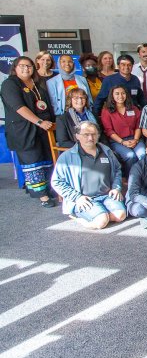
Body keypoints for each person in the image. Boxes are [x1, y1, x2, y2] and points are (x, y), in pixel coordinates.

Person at [1, 56, 56, 207]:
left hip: (44, 129)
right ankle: (42, 195)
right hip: (24, 129)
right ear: (15, 68)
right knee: (33, 161)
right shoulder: (10, 84)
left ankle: (48, 188)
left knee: (46, 159)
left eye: (29, 66)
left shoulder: (38, 83)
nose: (26, 68)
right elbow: (18, 107)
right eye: (22, 66)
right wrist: (39, 122)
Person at [51, 121, 126, 230]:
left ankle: (100, 213)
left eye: (94, 134)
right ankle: (79, 217)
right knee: (101, 222)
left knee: (120, 216)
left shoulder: (107, 151)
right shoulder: (67, 157)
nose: (90, 138)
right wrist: (77, 198)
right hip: (85, 199)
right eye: (86, 134)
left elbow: (117, 170)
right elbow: (56, 182)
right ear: (77, 136)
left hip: (107, 195)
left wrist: (116, 188)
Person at [101, 84, 146, 174]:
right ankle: (131, 178)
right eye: (117, 93)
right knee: (130, 156)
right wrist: (122, 142)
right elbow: (109, 131)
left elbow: (138, 126)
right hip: (117, 141)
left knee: (142, 154)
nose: (120, 96)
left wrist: (135, 140)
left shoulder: (134, 108)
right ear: (112, 96)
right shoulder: (107, 111)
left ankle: (143, 177)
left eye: (123, 93)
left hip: (135, 138)